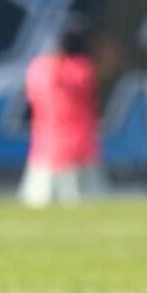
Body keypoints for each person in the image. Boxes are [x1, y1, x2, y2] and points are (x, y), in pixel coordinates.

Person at [20, 20, 105, 207]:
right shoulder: (82, 70)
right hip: (78, 152)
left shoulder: (38, 68)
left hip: (45, 152)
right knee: (85, 209)